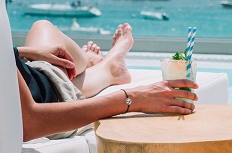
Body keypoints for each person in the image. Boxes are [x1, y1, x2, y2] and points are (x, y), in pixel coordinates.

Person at [16, 20, 197, 142]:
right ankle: (105, 64)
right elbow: (30, 122)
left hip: (30, 78)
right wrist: (132, 99)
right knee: (43, 27)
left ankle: (108, 66)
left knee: (50, 48)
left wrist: (21, 52)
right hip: (45, 91)